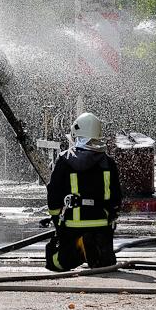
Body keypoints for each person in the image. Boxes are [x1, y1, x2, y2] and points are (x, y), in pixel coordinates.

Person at [45, 112, 122, 271]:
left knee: (55, 262)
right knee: (106, 264)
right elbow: (116, 198)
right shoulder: (108, 163)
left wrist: (57, 221)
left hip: (73, 224)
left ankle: (81, 246)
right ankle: (95, 251)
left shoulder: (64, 161)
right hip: (102, 226)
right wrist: (111, 217)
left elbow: (53, 195)